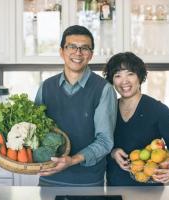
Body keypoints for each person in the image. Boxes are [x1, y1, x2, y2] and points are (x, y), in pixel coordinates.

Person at [34, 25, 117, 186]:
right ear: (61, 51)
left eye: (84, 48)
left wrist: (72, 160)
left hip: (88, 183)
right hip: (48, 179)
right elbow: (35, 131)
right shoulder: (46, 87)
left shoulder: (103, 89)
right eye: (72, 46)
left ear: (91, 55)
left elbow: (105, 141)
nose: (78, 53)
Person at [103, 52, 169, 186]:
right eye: (117, 75)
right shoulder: (108, 110)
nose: (124, 81)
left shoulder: (158, 110)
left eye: (130, 74)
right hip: (115, 186)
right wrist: (113, 152)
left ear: (140, 76)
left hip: (150, 188)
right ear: (112, 80)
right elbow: (101, 144)